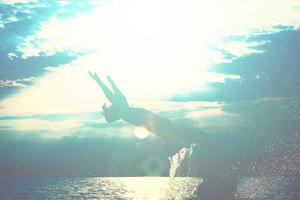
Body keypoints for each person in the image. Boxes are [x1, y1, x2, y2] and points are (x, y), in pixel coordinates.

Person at [89, 72, 237, 199]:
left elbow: (116, 97)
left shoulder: (125, 111)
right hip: (168, 130)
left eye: (112, 116)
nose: (115, 117)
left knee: (203, 139)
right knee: (204, 138)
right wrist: (104, 82)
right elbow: (116, 97)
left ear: (114, 112)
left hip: (167, 131)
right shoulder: (124, 111)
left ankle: (214, 177)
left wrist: (104, 83)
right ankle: (215, 177)